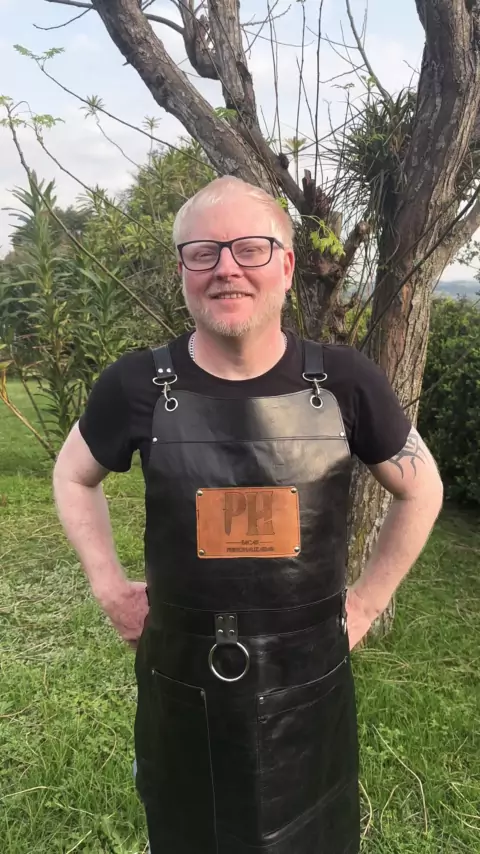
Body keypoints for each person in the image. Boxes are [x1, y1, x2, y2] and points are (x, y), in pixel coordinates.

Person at [53, 176, 444, 854]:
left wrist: (366, 604)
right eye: (203, 252)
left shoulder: (345, 382)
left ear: (286, 266)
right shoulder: (136, 385)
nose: (226, 268)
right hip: (181, 677)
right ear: (182, 270)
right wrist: (109, 586)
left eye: (250, 249)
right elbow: (72, 474)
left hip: (308, 680)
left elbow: (422, 487)